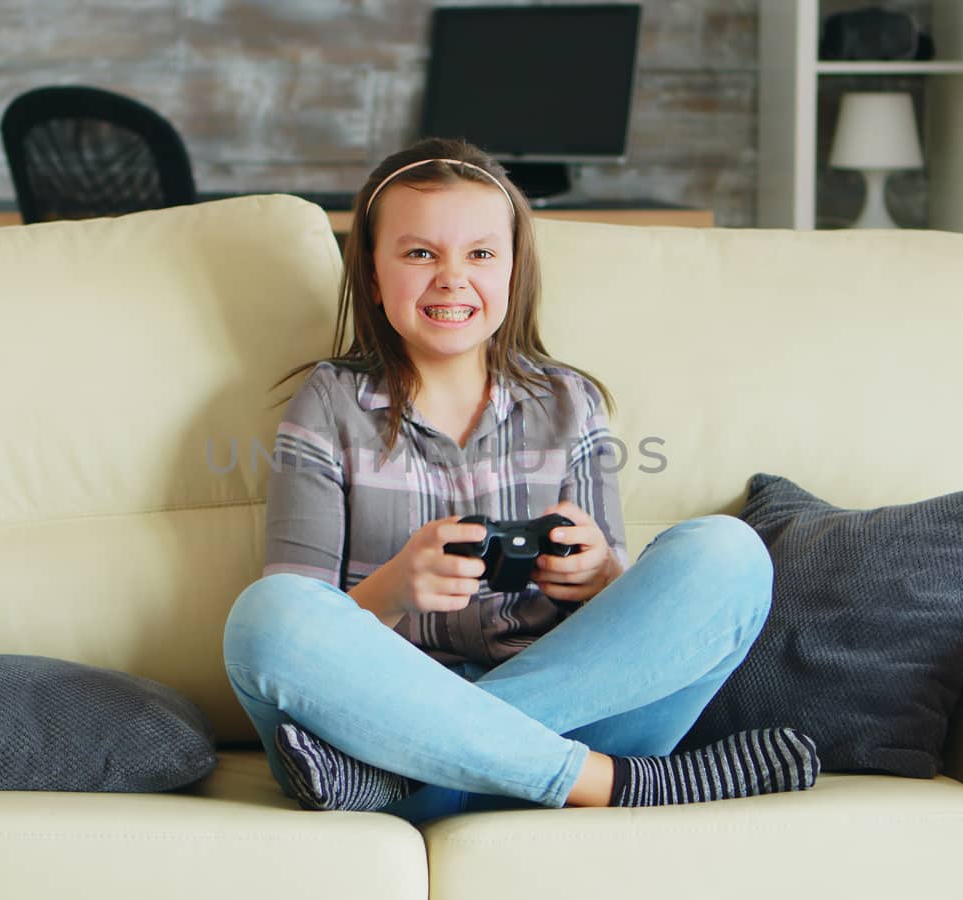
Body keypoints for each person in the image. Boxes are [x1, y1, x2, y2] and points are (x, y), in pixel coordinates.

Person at [222, 137, 818, 822]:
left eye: (480, 254)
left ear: (512, 272)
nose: (451, 277)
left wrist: (600, 580)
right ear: (375, 275)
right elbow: (304, 625)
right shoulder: (327, 404)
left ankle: (402, 780)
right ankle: (615, 786)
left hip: (450, 746)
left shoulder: (570, 403)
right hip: (375, 721)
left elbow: (630, 635)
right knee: (265, 617)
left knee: (728, 552)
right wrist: (395, 588)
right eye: (420, 253)